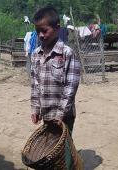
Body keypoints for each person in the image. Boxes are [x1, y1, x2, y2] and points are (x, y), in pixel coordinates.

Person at [30, 6, 80, 134]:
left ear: (57, 28)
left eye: (44, 31)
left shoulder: (67, 53)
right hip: (46, 114)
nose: (41, 35)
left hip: (64, 116)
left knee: (65, 148)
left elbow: (71, 87)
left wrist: (61, 113)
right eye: (38, 31)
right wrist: (35, 109)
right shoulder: (36, 54)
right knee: (51, 148)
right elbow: (35, 84)